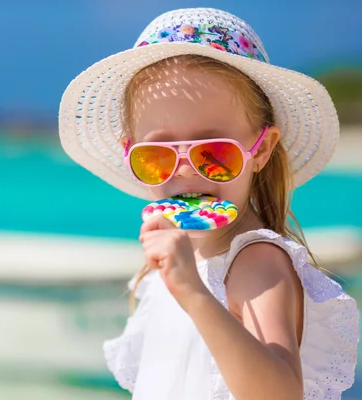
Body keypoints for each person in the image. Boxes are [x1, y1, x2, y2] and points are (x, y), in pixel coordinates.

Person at [58, 7, 359, 400]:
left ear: (261, 149)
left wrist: (193, 293)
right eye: (158, 157)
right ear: (131, 155)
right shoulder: (171, 268)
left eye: (214, 153)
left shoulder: (256, 261)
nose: (185, 173)